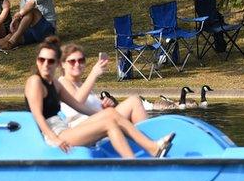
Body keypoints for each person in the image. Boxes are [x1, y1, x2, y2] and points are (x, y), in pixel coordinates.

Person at [25, 37, 174, 158]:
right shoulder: (35, 81)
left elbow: (78, 105)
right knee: (109, 122)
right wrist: (55, 139)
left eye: (50, 61)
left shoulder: (55, 83)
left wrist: (111, 114)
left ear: (56, 63)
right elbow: (37, 115)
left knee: (110, 116)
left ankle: (149, 150)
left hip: (65, 130)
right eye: (41, 60)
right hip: (56, 134)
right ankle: (137, 159)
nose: (45, 64)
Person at [56, 42, 148, 126]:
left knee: (135, 100)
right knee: (134, 101)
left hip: (99, 121)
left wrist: (106, 106)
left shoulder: (81, 84)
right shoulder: (63, 82)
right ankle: (145, 138)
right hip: (82, 126)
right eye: (72, 61)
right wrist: (93, 74)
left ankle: (143, 137)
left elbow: (90, 108)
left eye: (81, 60)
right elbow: (76, 103)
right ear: (63, 64)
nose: (77, 64)